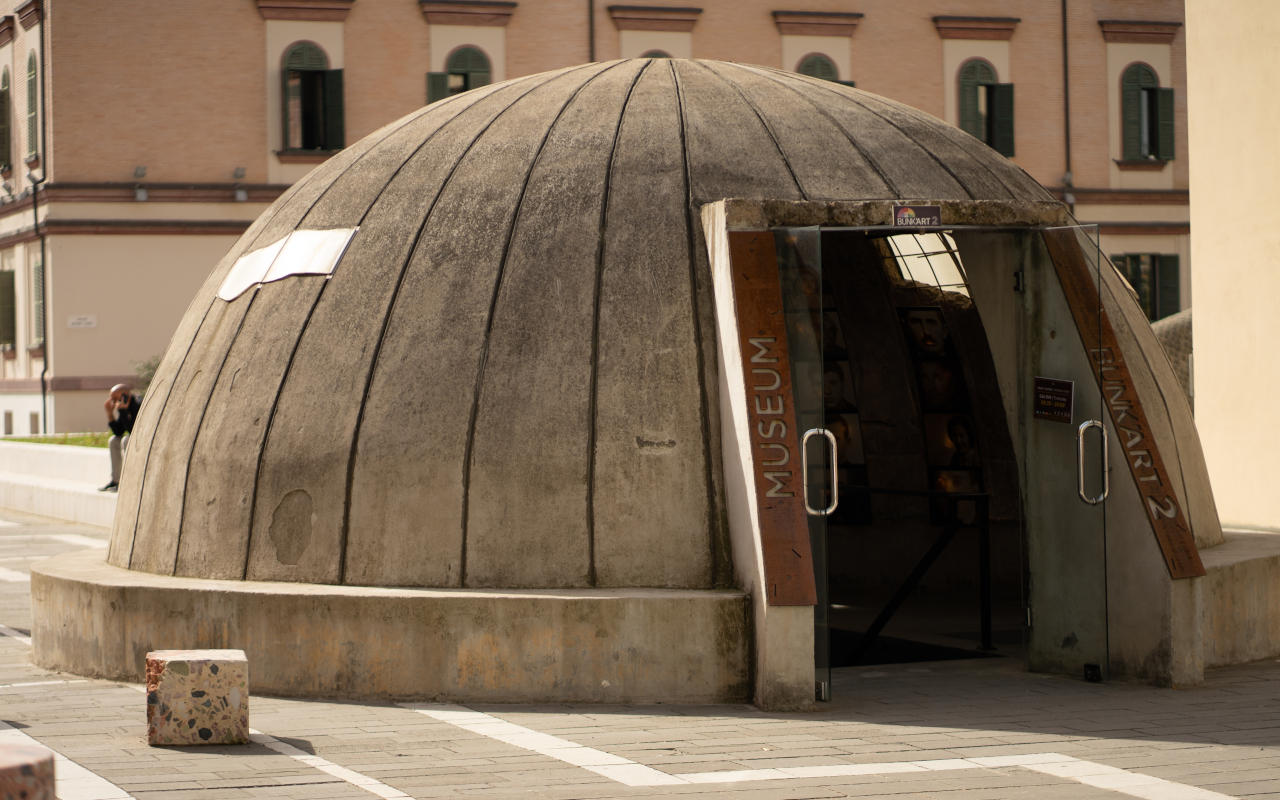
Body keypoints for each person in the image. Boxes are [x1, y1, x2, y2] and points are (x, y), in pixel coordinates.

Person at [100, 384, 139, 492]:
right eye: (112, 399)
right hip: (135, 438)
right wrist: (110, 414)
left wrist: (123, 411)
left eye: (115, 398)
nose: (114, 402)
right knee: (114, 441)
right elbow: (118, 431)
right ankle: (116, 481)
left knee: (127, 440)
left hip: (146, 439)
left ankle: (128, 481)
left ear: (125, 395)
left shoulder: (138, 405)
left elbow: (133, 430)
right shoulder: (124, 406)